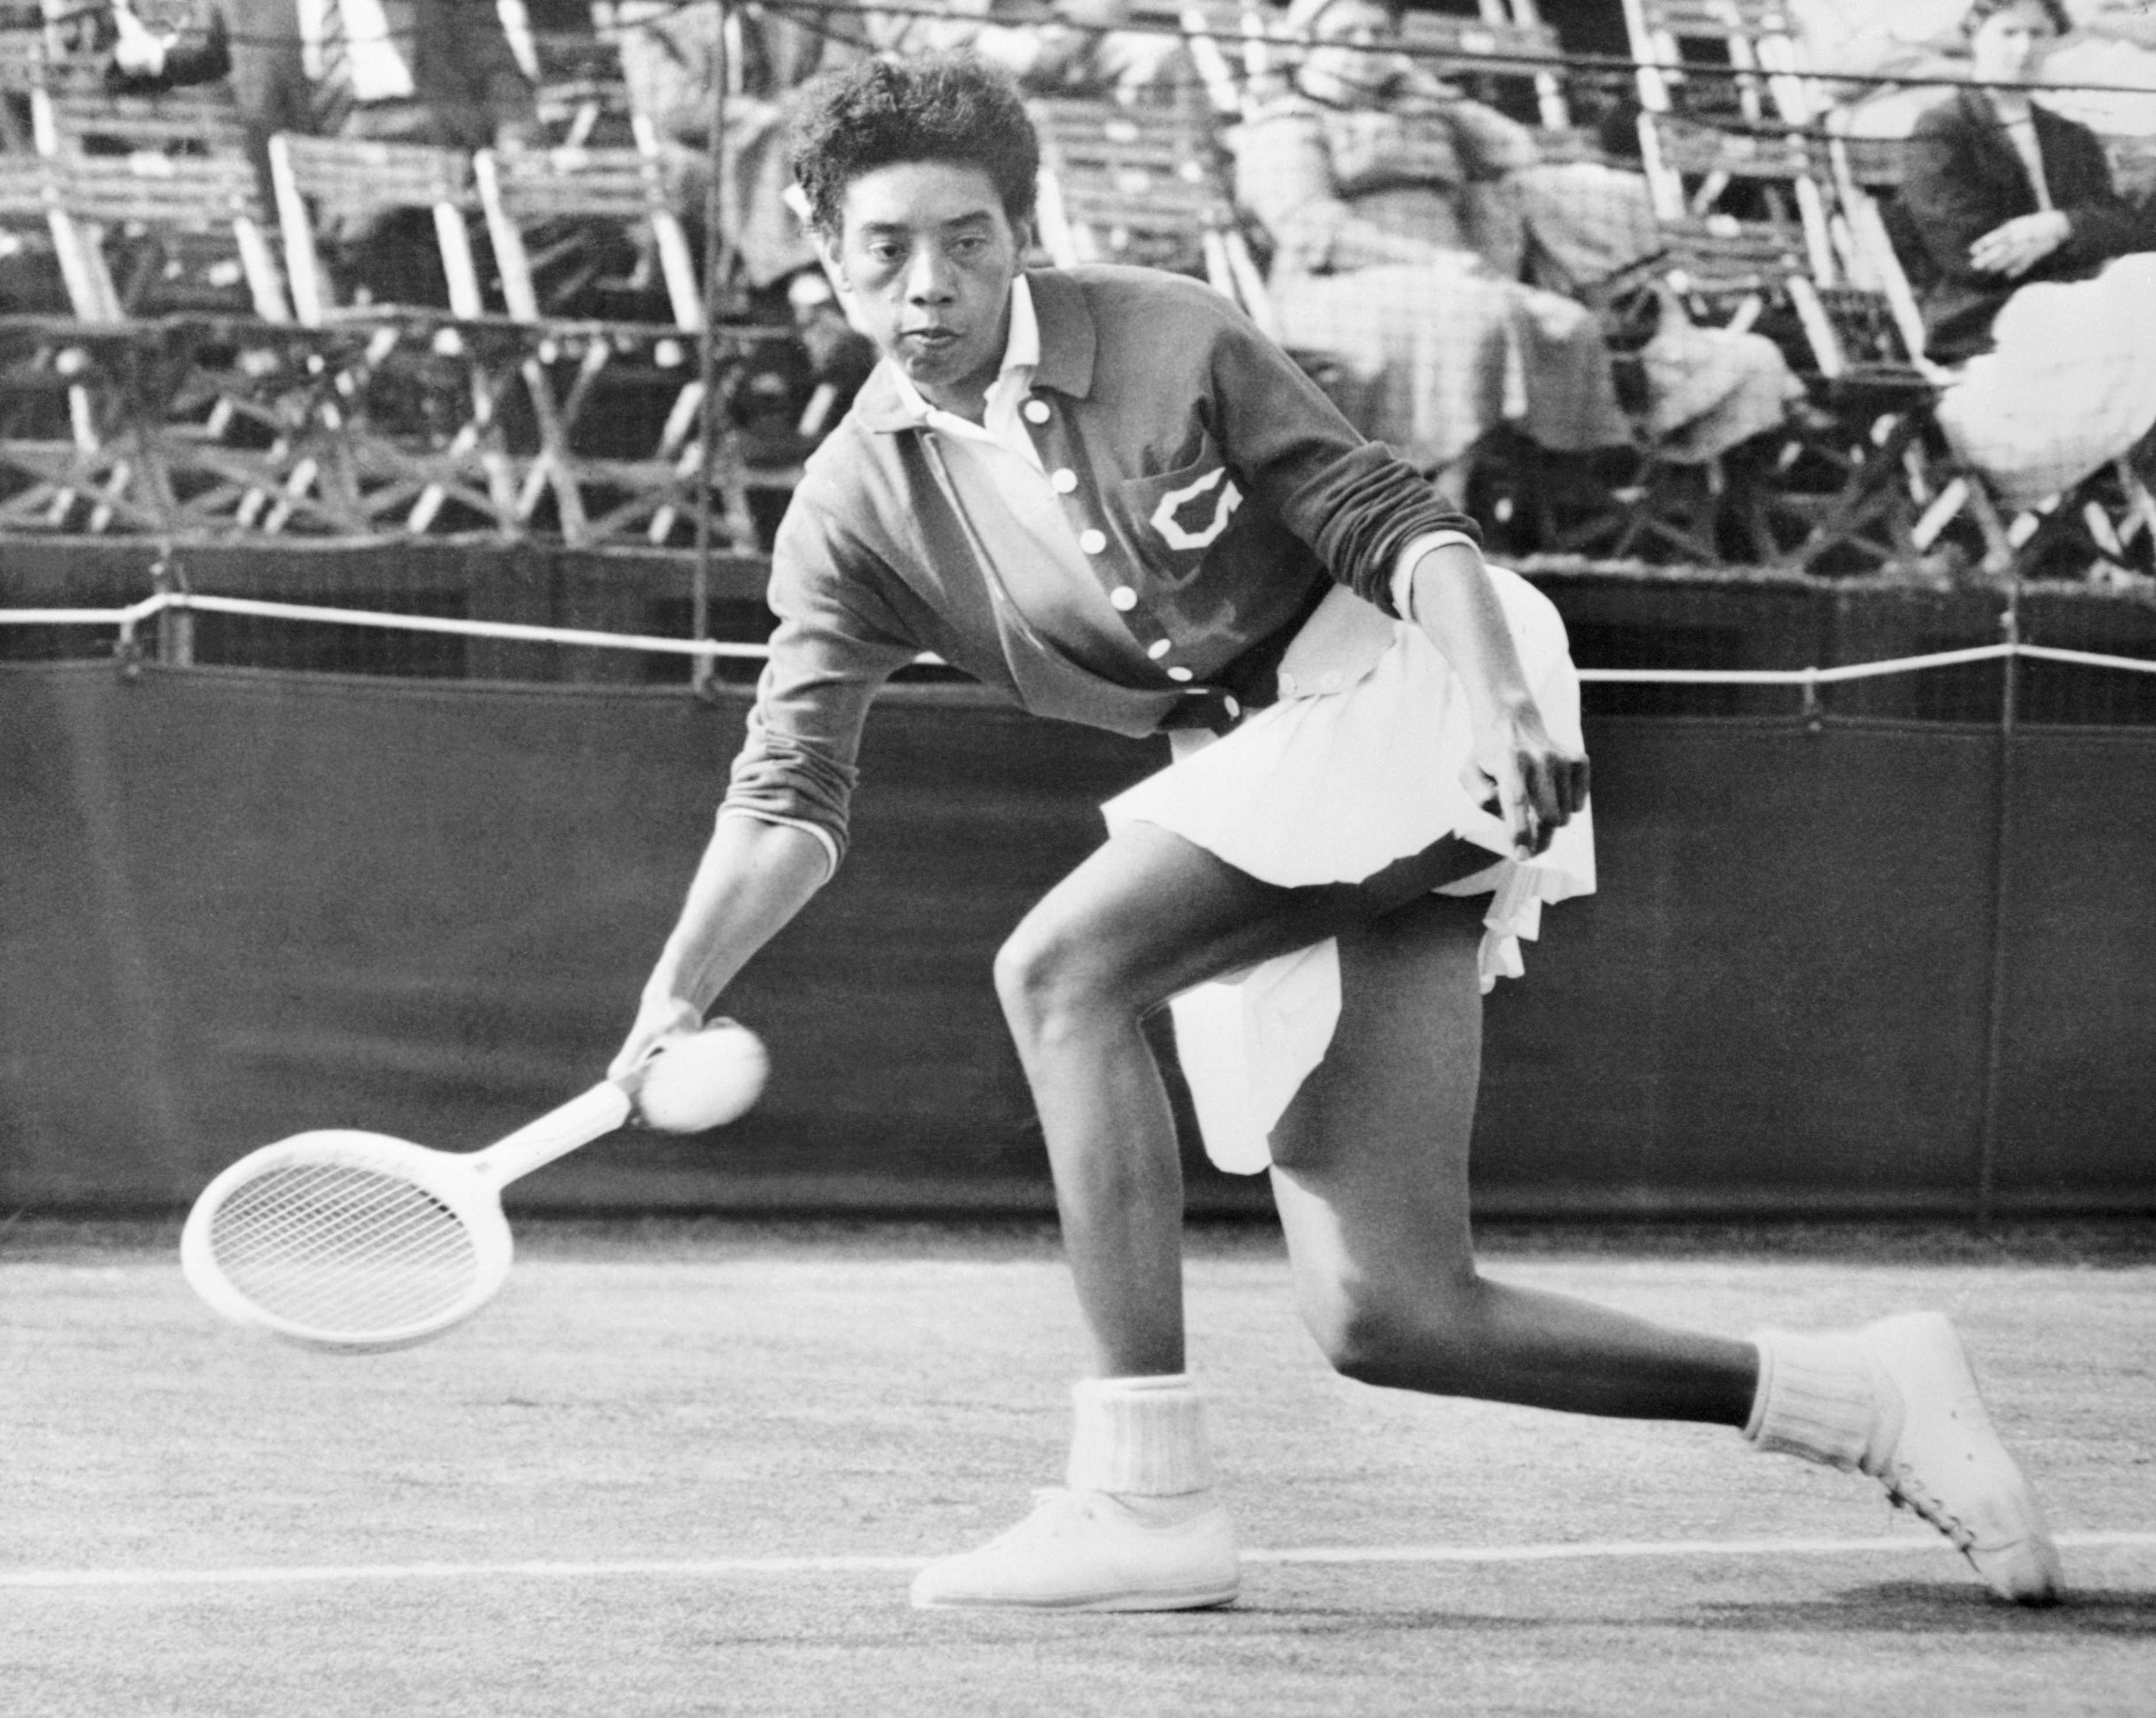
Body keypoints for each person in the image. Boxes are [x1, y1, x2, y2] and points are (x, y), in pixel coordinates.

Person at [610, 51, 2062, 1614]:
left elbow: (1394, 525)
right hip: (1260, 768)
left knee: (1063, 975)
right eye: (885, 249)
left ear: (1021, 234)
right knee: (1393, 1310)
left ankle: (1140, 1495)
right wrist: (678, 990)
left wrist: (1503, 701)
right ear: (827, 257)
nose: (928, 283)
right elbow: (789, 789)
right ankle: (1863, 1397)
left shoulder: (1171, 330)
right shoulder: (852, 504)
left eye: (966, 240)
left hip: (1424, 678)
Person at [1231, 0, 1796, 489]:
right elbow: (1310, 226)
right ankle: (1442, 485)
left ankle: (1534, 468)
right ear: (1306, 46)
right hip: (1340, 286)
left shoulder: (1419, 112)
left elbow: (1516, 156)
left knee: (1566, 323)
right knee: (1479, 316)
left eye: (1380, 35)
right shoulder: (1288, 122)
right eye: (1347, 36)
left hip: (1453, 274)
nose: (1366, 48)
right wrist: (1431, 261)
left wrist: (1439, 99)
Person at [1902, 0, 2156, 508]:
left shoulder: (2071, 138)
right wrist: (2083, 240)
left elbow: (2125, 229)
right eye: (2008, 33)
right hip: (1986, 317)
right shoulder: (1943, 130)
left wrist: (2059, 225)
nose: (2022, 50)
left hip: (2078, 310)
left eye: (2037, 35)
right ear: (1975, 35)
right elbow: (1968, 253)